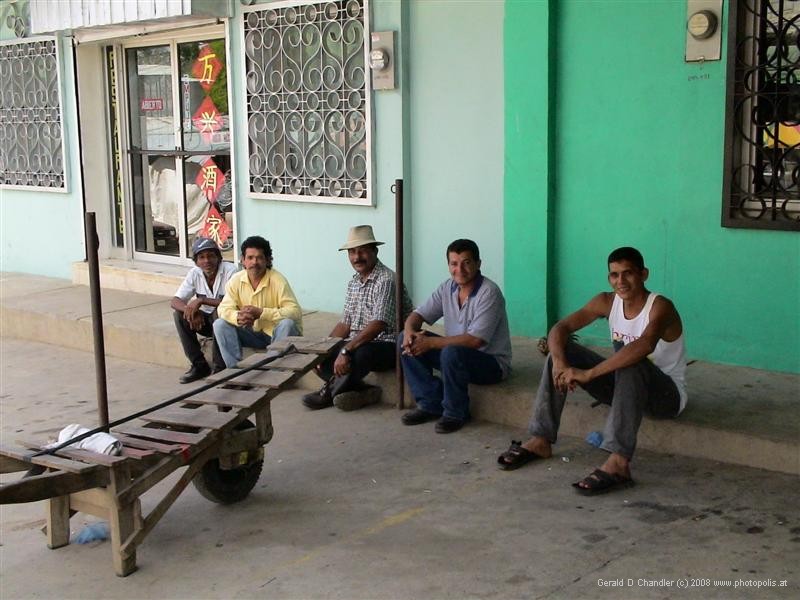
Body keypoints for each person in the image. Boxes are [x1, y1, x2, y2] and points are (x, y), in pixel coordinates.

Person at [497, 247, 688, 496]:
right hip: (625, 389)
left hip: (666, 397)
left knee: (632, 360)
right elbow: (561, 328)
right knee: (563, 350)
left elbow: (644, 346)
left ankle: (619, 463)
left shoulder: (660, 306)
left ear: (644, 274)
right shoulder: (606, 301)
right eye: (614, 275)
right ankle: (541, 439)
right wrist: (560, 362)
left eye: (628, 273)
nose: (620, 281)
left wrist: (589, 374)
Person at [399, 239, 512, 433]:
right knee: (404, 339)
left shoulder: (489, 292)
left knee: (451, 352)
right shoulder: (447, 288)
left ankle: (455, 413)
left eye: (466, 262)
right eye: (454, 263)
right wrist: (409, 331)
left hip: (490, 364)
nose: (459, 269)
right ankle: (430, 403)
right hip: (453, 357)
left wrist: (432, 343)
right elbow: (417, 316)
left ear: (478, 264)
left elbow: (475, 340)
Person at [302, 225, 412, 412]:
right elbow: (345, 323)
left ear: (374, 251)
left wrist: (345, 350)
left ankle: (329, 392)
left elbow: (378, 324)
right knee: (317, 355)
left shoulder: (386, 280)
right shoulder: (354, 282)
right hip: (360, 342)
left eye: (362, 251)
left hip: (388, 344)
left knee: (359, 353)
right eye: (352, 252)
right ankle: (362, 391)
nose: (356, 257)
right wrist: (323, 348)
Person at [213, 236, 302, 368]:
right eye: (250, 258)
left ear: (267, 260)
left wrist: (262, 313)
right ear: (243, 260)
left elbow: (294, 312)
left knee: (287, 324)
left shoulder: (278, 280)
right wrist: (238, 317)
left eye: (259, 257)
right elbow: (223, 308)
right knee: (220, 324)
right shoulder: (236, 280)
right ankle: (234, 371)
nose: (254, 262)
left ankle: (271, 371)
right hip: (252, 333)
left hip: (277, 334)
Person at [170, 237, 238, 383]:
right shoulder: (195, 273)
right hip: (203, 322)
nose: (206, 261)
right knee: (179, 315)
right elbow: (175, 301)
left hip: (227, 323)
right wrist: (190, 310)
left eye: (211, 256)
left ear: (219, 258)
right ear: (196, 261)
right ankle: (199, 365)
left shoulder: (231, 271)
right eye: (201, 257)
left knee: (219, 313)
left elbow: (232, 304)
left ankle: (219, 367)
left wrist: (201, 300)